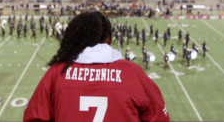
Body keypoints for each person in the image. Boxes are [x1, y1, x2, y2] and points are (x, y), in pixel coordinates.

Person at [23, 11, 169, 122]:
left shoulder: (56, 73)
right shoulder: (133, 73)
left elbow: (34, 117)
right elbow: (159, 118)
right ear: (110, 38)